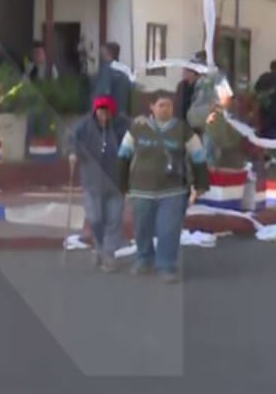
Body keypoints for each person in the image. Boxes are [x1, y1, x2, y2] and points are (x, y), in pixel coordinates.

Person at [116, 92, 209, 283]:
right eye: (161, 105)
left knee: (169, 229)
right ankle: (144, 259)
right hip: (141, 189)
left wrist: (200, 184)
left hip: (174, 190)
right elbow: (123, 155)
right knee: (142, 228)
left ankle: (166, 265)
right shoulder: (138, 128)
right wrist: (122, 185)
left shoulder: (182, 129)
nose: (165, 109)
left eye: (169, 105)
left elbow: (198, 156)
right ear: (152, 107)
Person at [69, 95, 131, 272]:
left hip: (116, 181)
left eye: (107, 113)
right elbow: (72, 140)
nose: (104, 117)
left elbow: (133, 142)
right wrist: (73, 153)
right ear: (95, 111)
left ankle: (109, 254)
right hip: (92, 181)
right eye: (100, 113)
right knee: (95, 217)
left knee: (113, 218)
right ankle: (99, 246)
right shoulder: (84, 126)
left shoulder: (122, 125)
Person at [93, 42, 134, 118]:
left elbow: (102, 92)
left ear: (108, 53)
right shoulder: (125, 68)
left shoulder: (106, 70)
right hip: (122, 111)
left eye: (102, 51)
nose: (100, 54)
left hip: (107, 112)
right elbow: (132, 85)